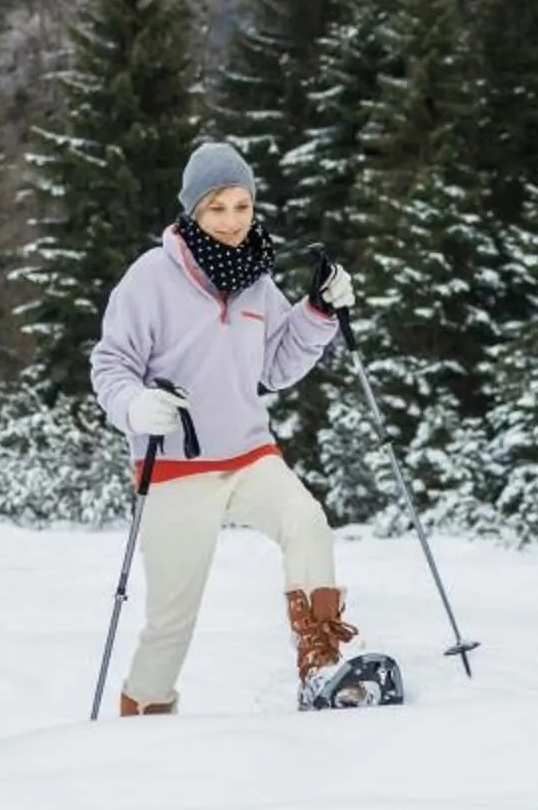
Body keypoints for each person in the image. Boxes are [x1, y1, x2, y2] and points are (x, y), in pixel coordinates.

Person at [89, 138, 359, 714]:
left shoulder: (257, 279)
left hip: (248, 453)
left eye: (242, 206)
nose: (233, 221)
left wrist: (318, 311)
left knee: (306, 521)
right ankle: (144, 715)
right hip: (176, 469)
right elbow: (111, 364)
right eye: (218, 208)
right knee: (171, 622)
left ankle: (321, 668)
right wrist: (135, 406)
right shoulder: (150, 279)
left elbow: (278, 366)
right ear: (192, 211)